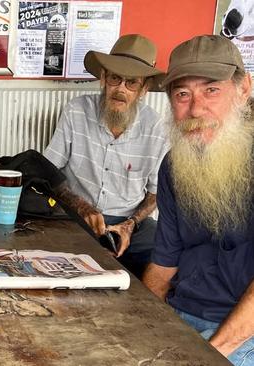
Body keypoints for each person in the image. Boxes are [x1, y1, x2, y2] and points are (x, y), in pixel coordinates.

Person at [143, 35, 254, 365]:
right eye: (182, 94)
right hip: (182, 314)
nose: (195, 108)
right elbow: (164, 264)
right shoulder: (174, 166)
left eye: (211, 90)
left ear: (244, 89)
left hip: (242, 331)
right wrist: (141, 323)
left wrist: (207, 355)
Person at [43, 34, 170, 278]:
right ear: (103, 79)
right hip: (76, 215)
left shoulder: (156, 128)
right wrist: (82, 207)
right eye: (115, 78)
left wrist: (129, 225)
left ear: (144, 89)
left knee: (165, 259)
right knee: (52, 247)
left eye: (131, 82)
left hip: (131, 221)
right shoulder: (76, 111)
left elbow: (156, 194)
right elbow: (49, 172)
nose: (121, 89)